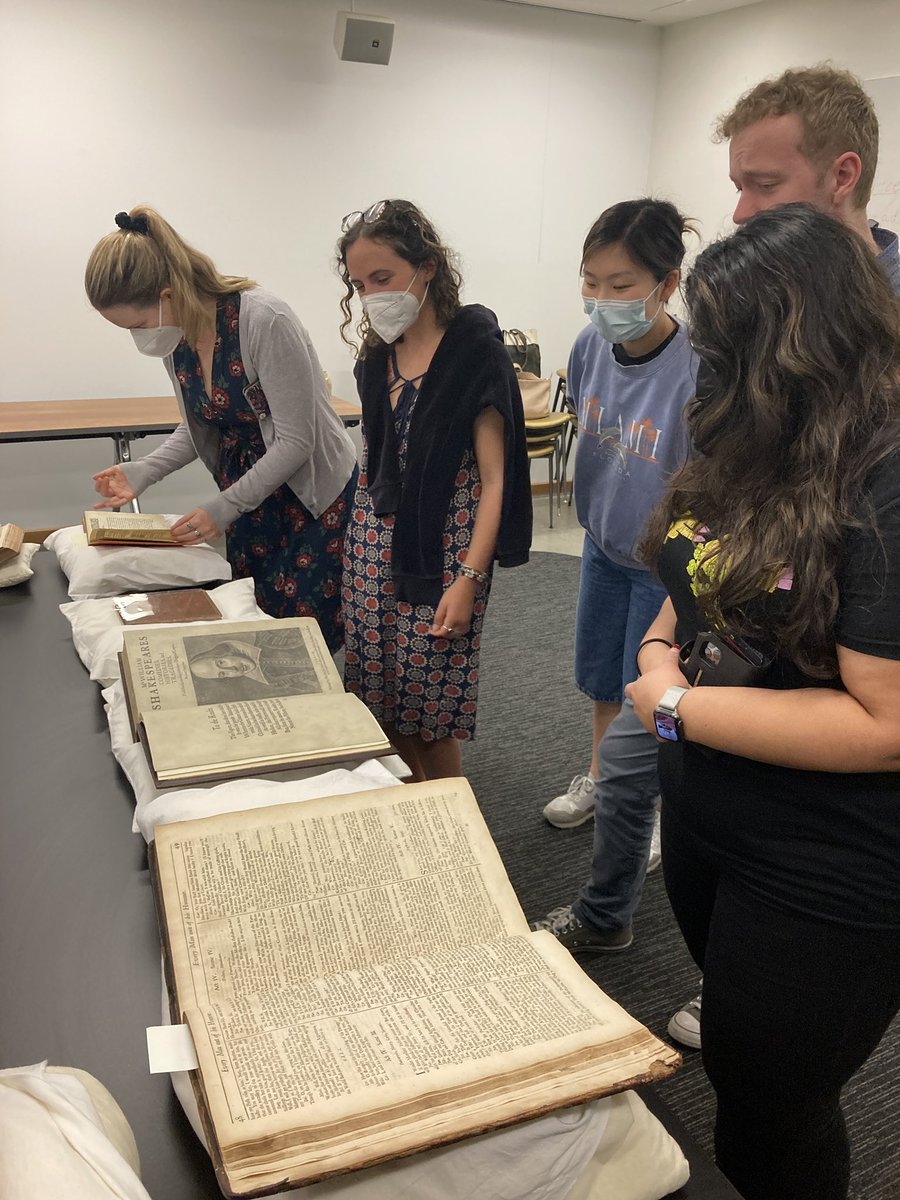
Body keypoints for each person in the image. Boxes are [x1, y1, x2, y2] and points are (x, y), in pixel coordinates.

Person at [534, 65, 900, 1048]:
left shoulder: (874, 355)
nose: (735, 211)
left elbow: (879, 702)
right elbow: (707, 506)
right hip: (722, 695)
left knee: (779, 1069)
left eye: (762, 185)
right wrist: (672, 639)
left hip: (826, 751)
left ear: (842, 176)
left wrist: (681, 694)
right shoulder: (747, 318)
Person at [626, 202, 900, 1200]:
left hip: (831, 850)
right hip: (713, 810)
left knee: (771, 1108)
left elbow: (886, 726)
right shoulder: (757, 433)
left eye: (726, 347)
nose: (708, 370)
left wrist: (672, 708)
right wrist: (663, 647)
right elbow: (691, 575)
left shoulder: (885, 469)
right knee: (745, 1074)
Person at [85, 207, 358, 651]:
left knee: (303, 643)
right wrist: (145, 471)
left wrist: (223, 506)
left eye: (136, 325)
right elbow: (204, 421)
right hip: (251, 502)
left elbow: (296, 442)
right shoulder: (179, 340)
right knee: (258, 630)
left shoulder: (264, 320)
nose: (138, 338)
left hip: (311, 502)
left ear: (167, 295)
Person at [336, 199, 531, 782]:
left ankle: (451, 825)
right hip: (370, 547)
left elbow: (496, 480)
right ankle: (413, 817)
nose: (371, 295)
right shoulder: (376, 359)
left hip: (446, 551)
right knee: (379, 701)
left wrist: (469, 578)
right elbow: (375, 458)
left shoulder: (475, 355)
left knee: (431, 712)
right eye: (358, 283)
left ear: (426, 268)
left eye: (383, 278)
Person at [541, 199, 696, 835]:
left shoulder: (696, 368)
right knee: (605, 679)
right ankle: (605, 782)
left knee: (653, 689)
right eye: (590, 281)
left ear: (667, 285)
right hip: (602, 547)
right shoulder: (589, 346)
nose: (602, 298)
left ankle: (654, 806)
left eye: (622, 286)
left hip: (662, 566)